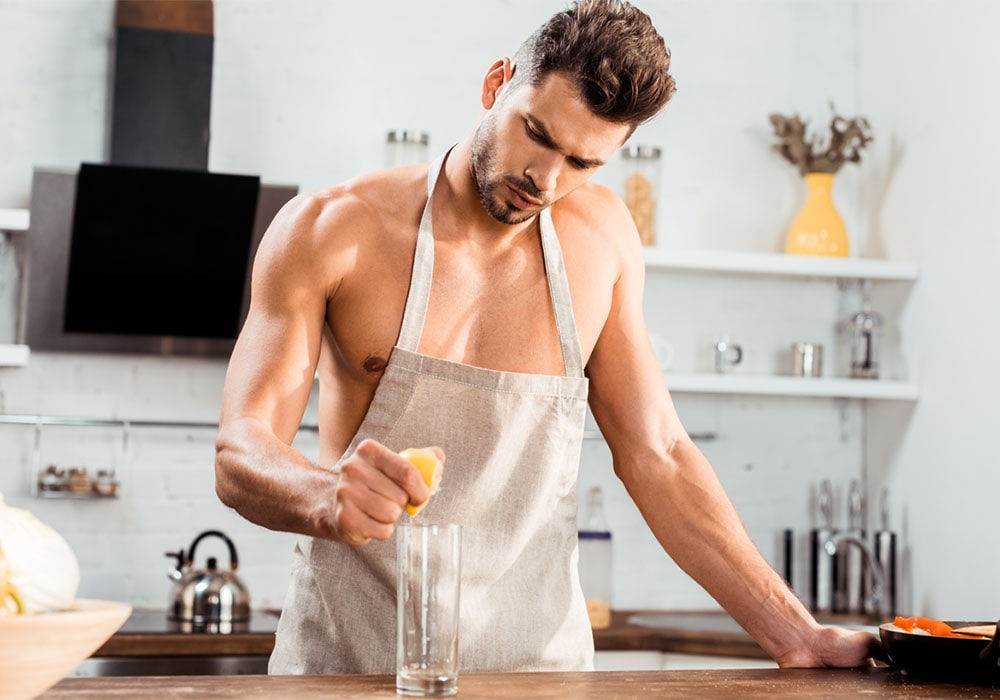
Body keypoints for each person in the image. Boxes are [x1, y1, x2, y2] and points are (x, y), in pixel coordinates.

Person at [215, 0, 882, 675]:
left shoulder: (602, 240)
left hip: (540, 676)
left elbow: (658, 455)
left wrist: (798, 635)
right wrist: (325, 495)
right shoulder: (332, 229)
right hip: (349, 669)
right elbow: (241, 451)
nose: (547, 179)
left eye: (583, 163)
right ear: (495, 84)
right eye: (536, 133)